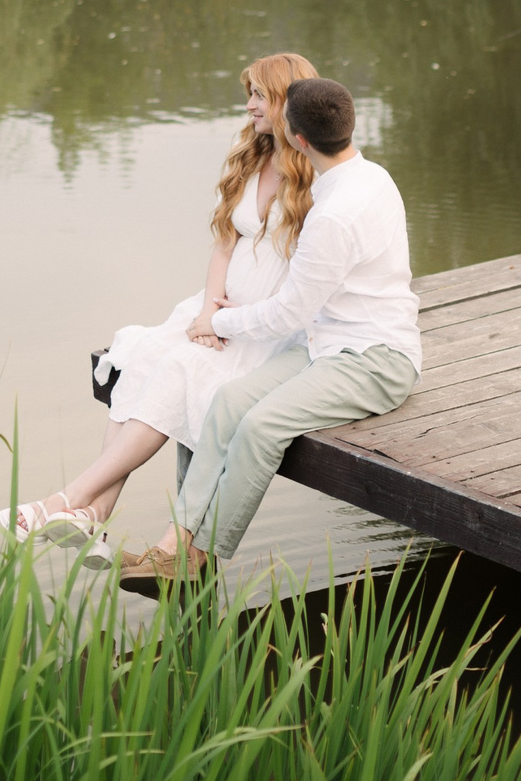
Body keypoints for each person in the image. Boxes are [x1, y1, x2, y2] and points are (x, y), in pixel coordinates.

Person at [0, 53, 319, 567]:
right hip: (216, 307)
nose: (250, 104)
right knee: (140, 355)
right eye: (249, 94)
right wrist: (209, 309)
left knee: (179, 371)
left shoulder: (315, 174)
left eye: (259, 94)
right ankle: (94, 513)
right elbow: (223, 244)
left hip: (265, 326)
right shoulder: (253, 156)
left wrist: (230, 322)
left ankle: (67, 502)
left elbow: (310, 281)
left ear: (286, 99)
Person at [116, 75, 421, 592]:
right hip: (323, 344)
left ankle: (202, 562)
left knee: (260, 427)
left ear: (297, 140)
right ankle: (175, 548)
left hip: (375, 359)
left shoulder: (335, 214)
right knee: (227, 402)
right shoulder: (369, 176)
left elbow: (286, 314)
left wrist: (217, 320)